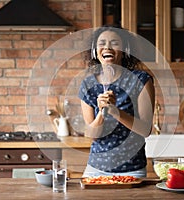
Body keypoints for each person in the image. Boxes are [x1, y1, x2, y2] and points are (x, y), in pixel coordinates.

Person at [78, 26, 155, 178]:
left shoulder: (141, 80)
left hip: (132, 170)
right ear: (95, 50)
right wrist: (102, 113)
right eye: (102, 43)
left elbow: (145, 130)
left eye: (114, 43)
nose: (107, 47)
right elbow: (92, 134)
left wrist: (116, 112)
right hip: (96, 169)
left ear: (125, 50)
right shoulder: (88, 84)